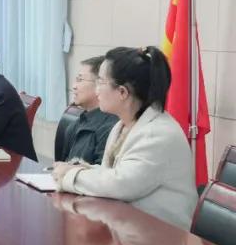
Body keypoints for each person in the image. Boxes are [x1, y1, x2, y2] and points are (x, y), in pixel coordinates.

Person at [52, 47, 197, 229]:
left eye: (101, 82)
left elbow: (120, 184)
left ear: (122, 92)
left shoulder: (157, 134)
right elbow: (112, 172)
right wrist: (78, 168)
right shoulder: (123, 125)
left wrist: (70, 176)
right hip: (130, 228)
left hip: (161, 236)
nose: (97, 90)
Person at [56, 56, 119, 165]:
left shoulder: (110, 127)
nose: (74, 86)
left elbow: (102, 172)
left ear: (100, 84)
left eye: (80, 80)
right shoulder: (77, 123)